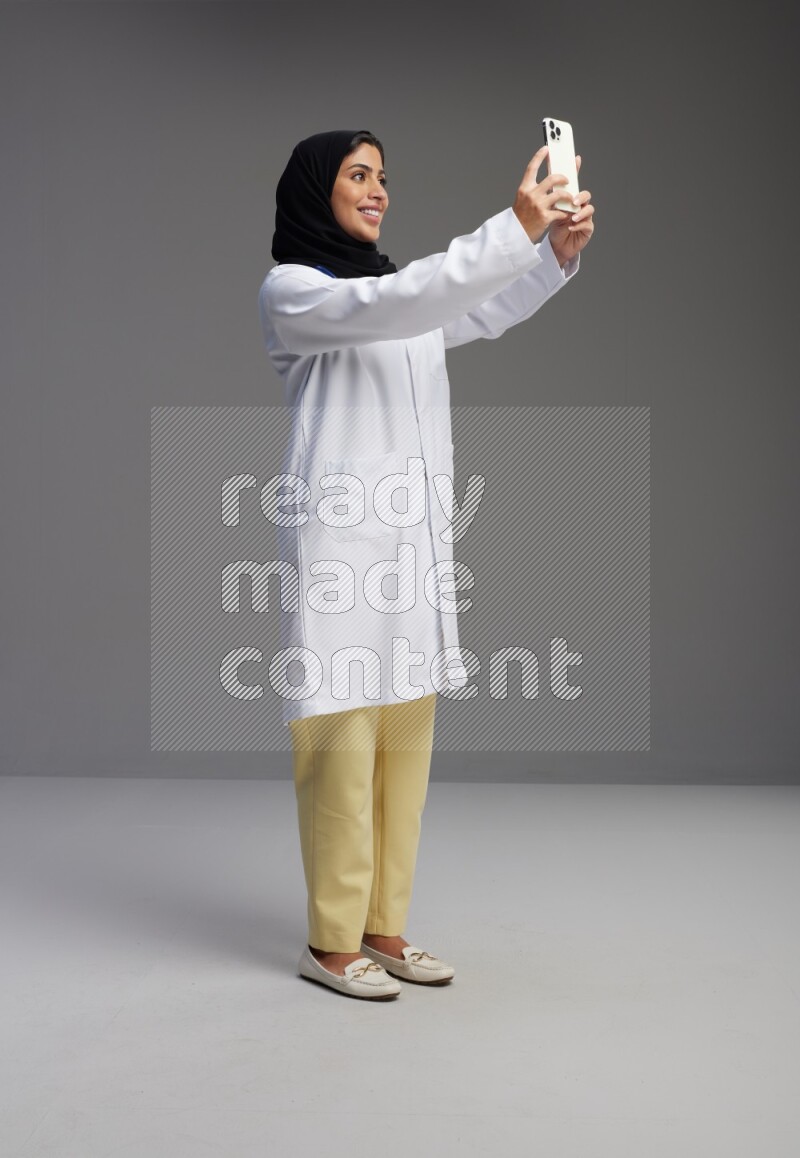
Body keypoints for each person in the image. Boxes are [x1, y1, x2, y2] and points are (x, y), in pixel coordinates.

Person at [258, 129, 594, 1000]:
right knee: (340, 745)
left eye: (382, 178)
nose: (378, 192)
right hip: (340, 558)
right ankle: (330, 943)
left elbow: (470, 310)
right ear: (314, 192)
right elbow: (417, 298)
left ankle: (384, 927)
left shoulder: (391, 296)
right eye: (358, 176)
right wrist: (512, 228)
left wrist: (550, 255)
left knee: (404, 748)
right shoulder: (298, 291)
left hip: (409, 554)